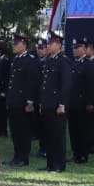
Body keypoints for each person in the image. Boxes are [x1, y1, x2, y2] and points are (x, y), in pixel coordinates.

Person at [38, 31, 72, 172]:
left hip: (57, 105)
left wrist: (62, 103)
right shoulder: (48, 60)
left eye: (51, 43)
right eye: (48, 43)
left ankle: (58, 165)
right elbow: (44, 84)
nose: (48, 46)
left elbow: (66, 84)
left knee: (58, 136)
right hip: (47, 103)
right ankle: (50, 164)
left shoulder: (63, 61)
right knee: (49, 136)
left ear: (58, 45)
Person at [5, 34, 39, 166]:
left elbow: (32, 83)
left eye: (16, 44)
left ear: (24, 45)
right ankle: (16, 156)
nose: (13, 46)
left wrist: (30, 101)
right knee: (15, 130)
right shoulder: (15, 60)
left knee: (24, 131)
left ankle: (23, 157)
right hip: (14, 100)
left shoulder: (30, 60)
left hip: (23, 102)